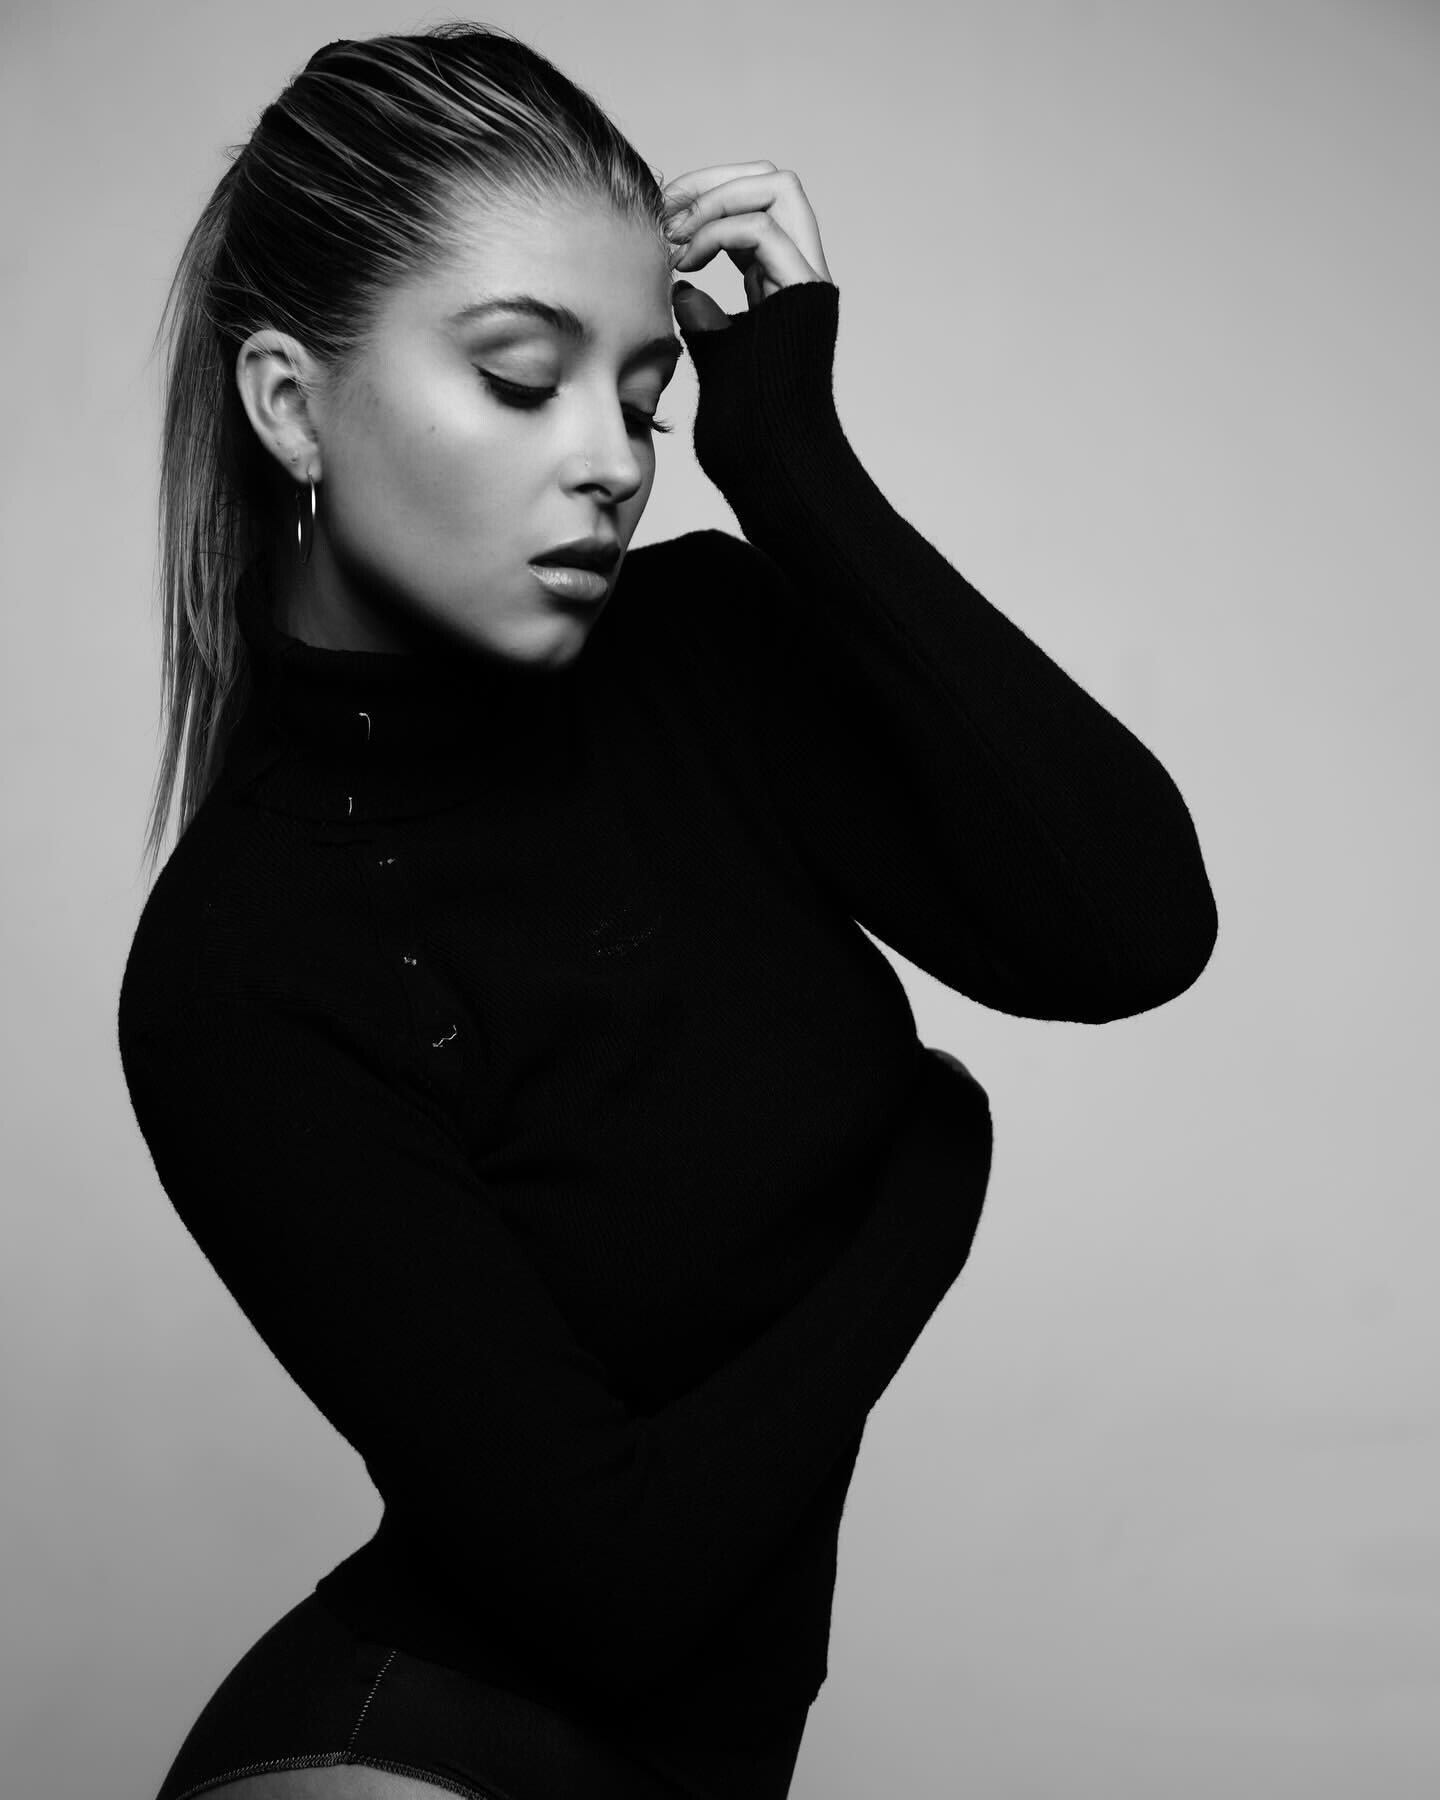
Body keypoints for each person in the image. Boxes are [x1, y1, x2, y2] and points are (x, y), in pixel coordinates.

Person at [116, 22, 1219, 1800]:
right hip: (415, 1758)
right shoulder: (241, 964)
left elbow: (1128, 928)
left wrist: (790, 454)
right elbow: (613, 1575)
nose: (615, 462)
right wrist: (927, 1191)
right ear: (291, 406)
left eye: (642, 402)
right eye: (520, 378)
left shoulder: (701, 659)